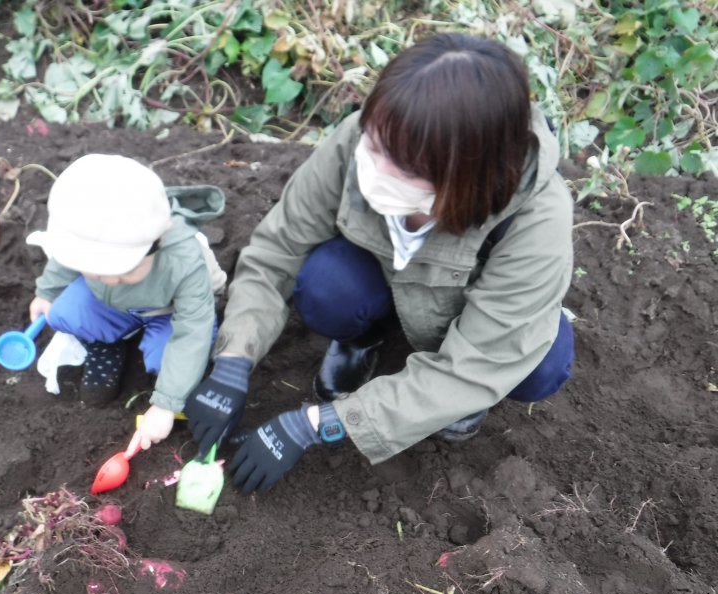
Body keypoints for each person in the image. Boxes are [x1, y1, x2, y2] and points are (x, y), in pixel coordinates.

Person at [184, 33, 575, 493]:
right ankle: (362, 338)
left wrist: (316, 424)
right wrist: (234, 358)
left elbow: (477, 364)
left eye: (405, 168)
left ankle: (458, 405)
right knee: (327, 284)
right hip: (383, 283)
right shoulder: (366, 138)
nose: (374, 168)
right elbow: (277, 251)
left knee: (540, 364)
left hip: (468, 326)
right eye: (373, 146)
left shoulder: (536, 220)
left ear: (466, 174)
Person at [26, 154, 226, 454]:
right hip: (117, 307)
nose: (109, 278)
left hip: (168, 311)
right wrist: (47, 291)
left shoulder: (183, 261)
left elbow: (192, 331)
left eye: (124, 270)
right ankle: (107, 344)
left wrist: (166, 405)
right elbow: (65, 258)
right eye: (97, 269)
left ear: (156, 243)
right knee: (62, 314)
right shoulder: (87, 236)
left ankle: (169, 380)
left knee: (165, 360)